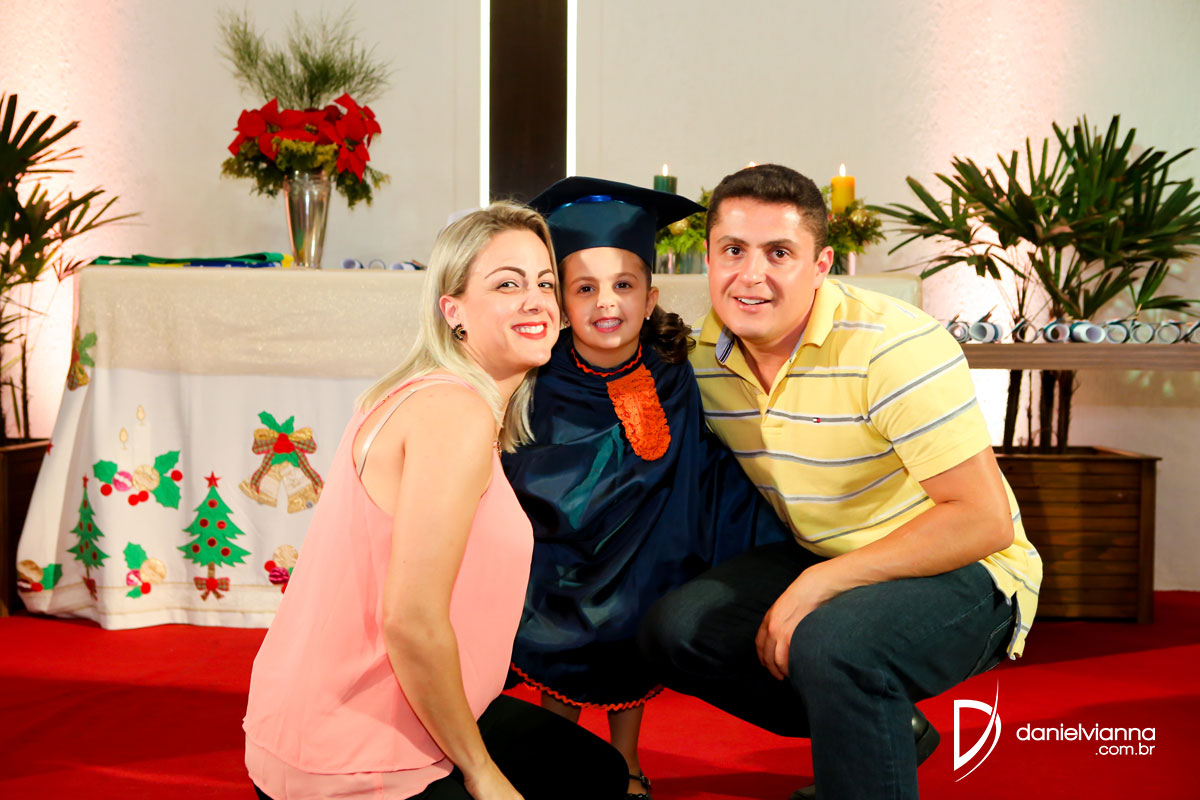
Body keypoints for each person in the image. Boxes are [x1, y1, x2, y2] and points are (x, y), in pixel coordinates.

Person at [638, 164, 1042, 800]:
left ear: (821, 264)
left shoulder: (892, 346)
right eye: (734, 250)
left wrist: (820, 583)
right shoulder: (704, 356)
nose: (752, 275)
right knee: (676, 629)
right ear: (707, 259)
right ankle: (884, 731)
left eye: (779, 253)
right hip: (825, 552)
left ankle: (861, 744)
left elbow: (981, 520)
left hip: (967, 566)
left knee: (833, 642)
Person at [243, 202, 628, 800]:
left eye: (545, 283)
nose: (536, 301)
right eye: (508, 284)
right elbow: (411, 621)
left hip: (312, 725)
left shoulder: (421, 393)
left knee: (592, 769)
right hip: (353, 754)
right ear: (454, 312)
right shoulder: (453, 413)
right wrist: (482, 773)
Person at [504, 177, 788, 799]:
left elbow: (692, 465)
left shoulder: (674, 373)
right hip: (560, 564)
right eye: (585, 288)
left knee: (631, 643)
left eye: (624, 285)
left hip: (646, 555)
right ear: (560, 302)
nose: (606, 303)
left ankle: (627, 763)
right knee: (562, 649)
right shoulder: (538, 378)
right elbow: (524, 465)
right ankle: (563, 763)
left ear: (651, 296)